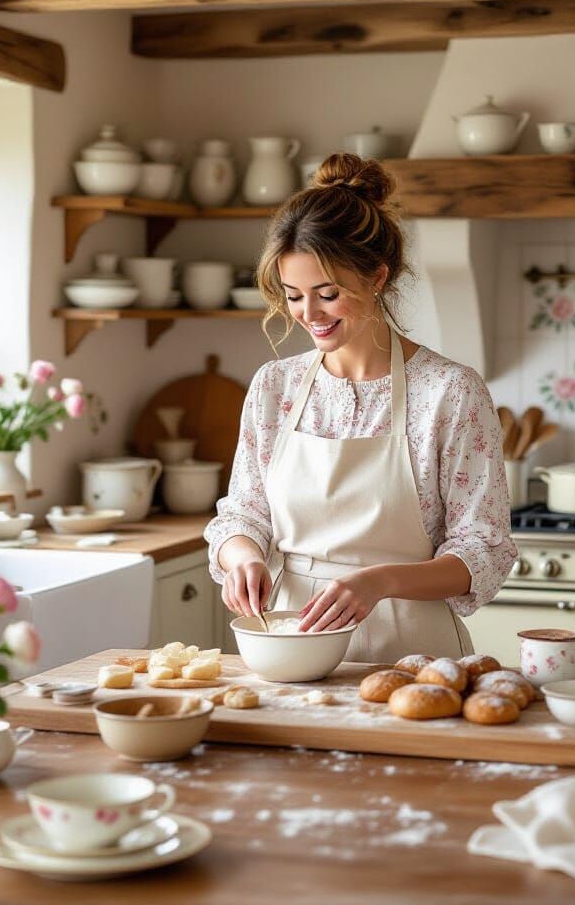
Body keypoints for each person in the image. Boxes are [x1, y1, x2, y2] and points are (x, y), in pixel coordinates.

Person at [204, 153, 516, 663]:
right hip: (290, 642)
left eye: (327, 294)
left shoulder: (449, 392)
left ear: (376, 276)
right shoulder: (273, 387)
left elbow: (483, 549)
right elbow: (245, 510)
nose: (309, 315)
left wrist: (380, 582)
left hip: (414, 655)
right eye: (294, 296)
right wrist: (240, 555)